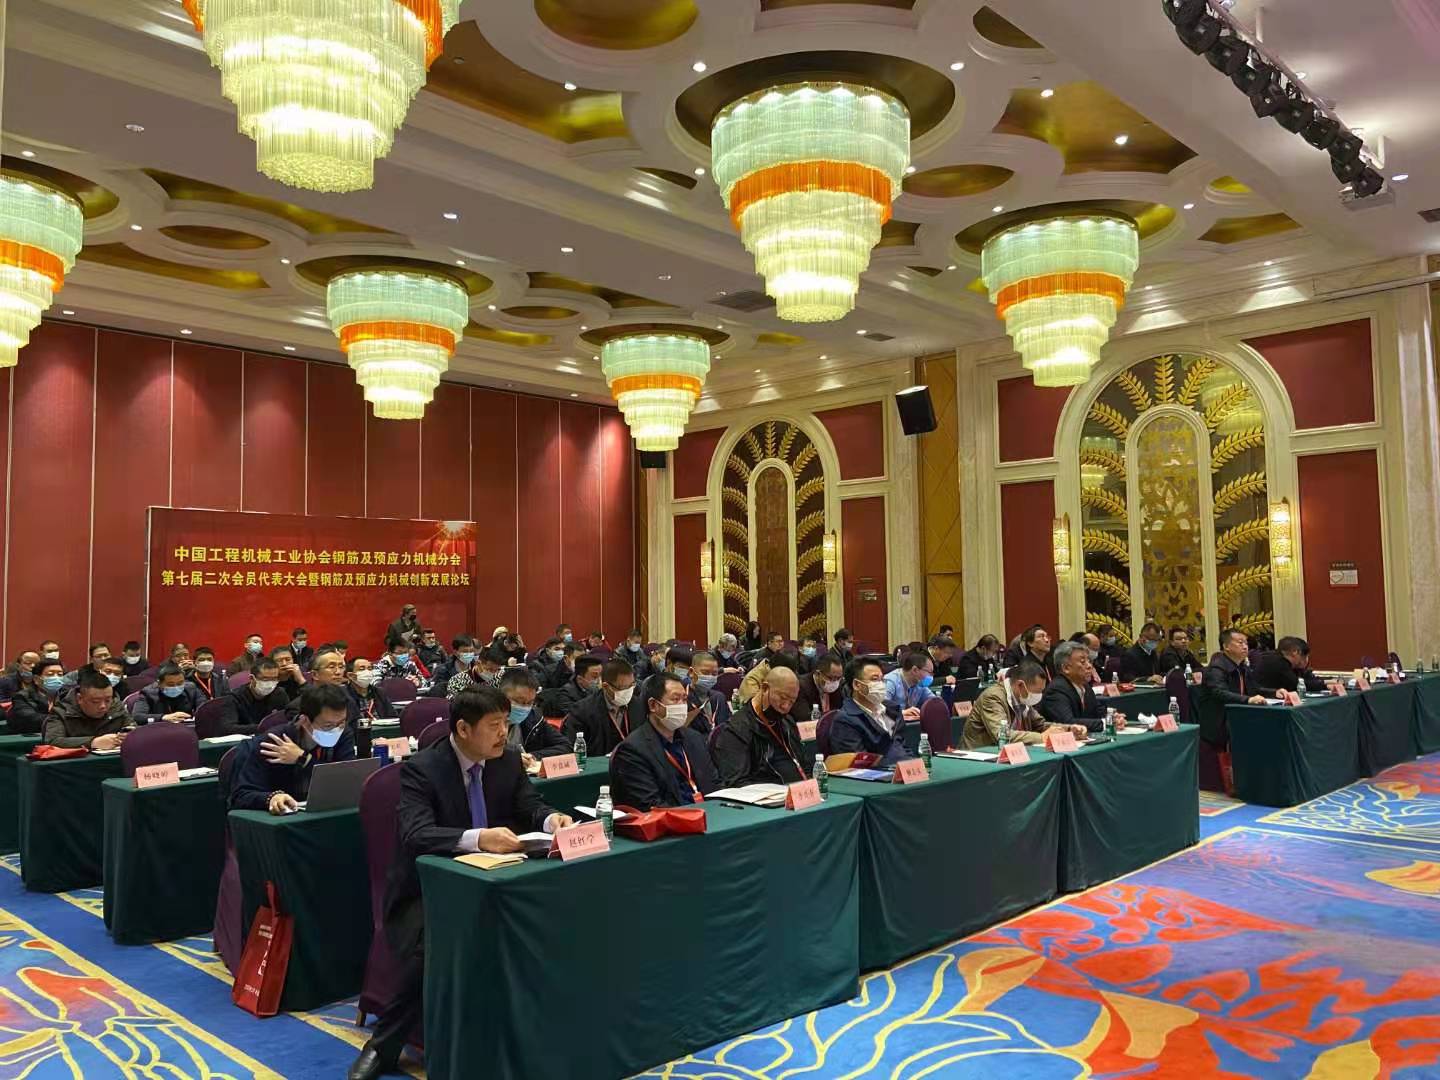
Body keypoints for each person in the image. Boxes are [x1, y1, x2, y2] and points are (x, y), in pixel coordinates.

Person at [348, 688, 571, 1080]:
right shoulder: (423, 769)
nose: (504, 734)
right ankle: (383, 1046)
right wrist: (478, 838)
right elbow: (416, 834)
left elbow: (529, 805)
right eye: (494, 725)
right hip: (428, 891)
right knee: (434, 944)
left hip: (497, 880)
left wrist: (551, 819)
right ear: (464, 729)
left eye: (506, 724)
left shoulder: (507, 761)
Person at [228, 684, 356, 814]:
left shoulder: (344, 734)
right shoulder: (273, 742)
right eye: (328, 725)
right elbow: (241, 795)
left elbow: (346, 780)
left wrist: (303, 759)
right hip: (282, 817)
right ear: (304, 721)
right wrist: (271, 798)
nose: (336, 729)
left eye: (341, 722)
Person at [610, 673, 721, 810]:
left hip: (709, 812)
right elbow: (650, 804)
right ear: (653, 705)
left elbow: (714, 783)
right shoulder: (632, 750)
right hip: (672, 818)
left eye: (684, 699)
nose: (682, 706)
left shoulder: (694, 738)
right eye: (675, 699)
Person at [714, 664, 809, 786]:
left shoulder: (787, 722)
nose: (785, 707)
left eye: (791, 702)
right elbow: (737, 782)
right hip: (768, 794)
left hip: (798, 791)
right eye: (782, 698)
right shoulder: (737, 729)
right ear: (764, 688)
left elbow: (804, 764)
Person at [962, 660, 1087, 749]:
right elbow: (1002, 735)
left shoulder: (1022, 697)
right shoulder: (993, 697)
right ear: (1021, 685)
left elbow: (1040, 725)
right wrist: (1042, 738)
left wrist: (1068, 729)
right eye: (1037, 691)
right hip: (980, 754)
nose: (1039, 695)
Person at [1198, 628, 1273, 750]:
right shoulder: (1217, 667)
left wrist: (1276, 692)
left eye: (1246, 643)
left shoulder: (1242, 666)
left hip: (1238, 716)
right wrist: (1248, 700)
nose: (1245, 646)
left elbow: (1255, 689)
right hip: (1220, 723)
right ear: (1226, 646)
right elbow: (1219, 692)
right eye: (1240, 642)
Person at [830, 658, 909, 765]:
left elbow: (903, 746)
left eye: (882, 680)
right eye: (874, 679)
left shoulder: (893, 709)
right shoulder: (845, 720)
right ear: (857, 685)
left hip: (905, 768)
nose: (880, 684)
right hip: (879, 772)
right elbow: (859, 763)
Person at [1040, 641, 1125, 733]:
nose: (1089, 666)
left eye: (1089, 661)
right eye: (1083, 662)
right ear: (1066, 668)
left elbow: (1097, 710)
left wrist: (1113, 717)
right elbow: (1068, 723)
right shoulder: (1056, 690)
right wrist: (1106, 723)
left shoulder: (1084, 685)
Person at [562, 657, 638, 757]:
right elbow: (572, 749)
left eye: (631, 685)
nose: (628, 691)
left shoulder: (638, 705)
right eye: (623, 688)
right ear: (606, 686)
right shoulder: (582, 711)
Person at [44, 667, 130, 749]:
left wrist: (129, 736)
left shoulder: (117, 707)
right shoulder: (61, 712)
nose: (103, 706)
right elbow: (53, 741)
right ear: (79, 698)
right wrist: (93, 742)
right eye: (95, 701)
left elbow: (132, 729)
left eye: (108, 700)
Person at [499, 668, 571, 759]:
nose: (524, 707)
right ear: (501, 696)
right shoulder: (487, 722)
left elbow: (566, 746)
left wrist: (531, 756)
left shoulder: (534, 718)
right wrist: (514, 758)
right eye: (519, 701)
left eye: (530, 703)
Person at [219, 656, 289, 734]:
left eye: (274, 679)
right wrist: (264, 727)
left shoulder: (280, 694)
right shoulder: (234, 698)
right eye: (265, 679)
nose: (270, 684)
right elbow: (228, 728)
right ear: (252, 678)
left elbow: (288, 719)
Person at [130, 662, 203, 724]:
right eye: (171, 684)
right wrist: (163, 717)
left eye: (180, 683)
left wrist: (198, 716)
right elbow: (137, 716)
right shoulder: (148, 693)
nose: (176, 687)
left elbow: (204, 707)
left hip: (186, 729)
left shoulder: (191, 688)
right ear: (159, 683)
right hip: (159, 729)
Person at [10, 657, 68, 735]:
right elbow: (32, 719)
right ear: (36, 679)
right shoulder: (22, 697)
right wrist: (64, 719)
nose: (56, 678)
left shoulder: (67, 694)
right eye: (50, 674)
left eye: (60, 675)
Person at [1253, 636, 1325, 694]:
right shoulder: (1278, 662)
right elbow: (1296, 685)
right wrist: (1325, 685)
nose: (1306, 660)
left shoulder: (1281, 660)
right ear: (1295, 652)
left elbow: (1306, 679)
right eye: (1305, 656)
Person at [883, 651, 936, 724]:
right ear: (915, 670)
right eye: (929, 672)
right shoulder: (890, 682)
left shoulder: (919, 684)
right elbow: (880, 709)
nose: (931, 676)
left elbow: (935, 702)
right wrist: (900, 713)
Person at [687, 650, 731, 735]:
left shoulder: (719, 697)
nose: (710, 677)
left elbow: (728, 724)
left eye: (714, 674)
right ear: (691, 672)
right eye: (705, 673)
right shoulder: (683, 699)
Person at [344, 657, 397, 725]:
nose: (367, 672)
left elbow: (393, 717)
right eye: (362, 669)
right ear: (350, 675)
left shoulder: (379, 692)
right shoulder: (343, 695)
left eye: (370, 669)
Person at [796, 653, 844, 717]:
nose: (835, 682)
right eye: (830, 678)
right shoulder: (801, 687)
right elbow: (804, 717)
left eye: (838, 678)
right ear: (818, 674)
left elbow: (840, 710)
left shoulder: (838, 685)